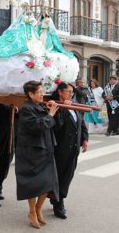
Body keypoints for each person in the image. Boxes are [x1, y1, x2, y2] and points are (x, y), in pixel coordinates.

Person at [15, 81, 59, 229]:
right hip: (32, 151)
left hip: (45, 148)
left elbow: (52, 124)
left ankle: (39, 210)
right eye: (39, 92)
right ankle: (32, 212)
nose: (42, 94)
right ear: (30, 94)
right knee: (32, 184)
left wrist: (51, 111)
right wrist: (50, 115)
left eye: (42, 91)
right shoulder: (26, 109)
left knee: (47, 183)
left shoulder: (40, 106)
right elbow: (37, 126)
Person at [51, 82, 88, 219]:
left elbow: (81, 122)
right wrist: (64, 108)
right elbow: (56, 126)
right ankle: (58, 203)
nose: (71, 94)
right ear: (60, 92)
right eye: (68, 91)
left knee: (68, 175)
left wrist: (84, 138)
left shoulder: (74, 104)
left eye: (72, 92)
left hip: (74, 147)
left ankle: (57, 198)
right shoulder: (55, 106)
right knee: (60, 176)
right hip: (61, 147)